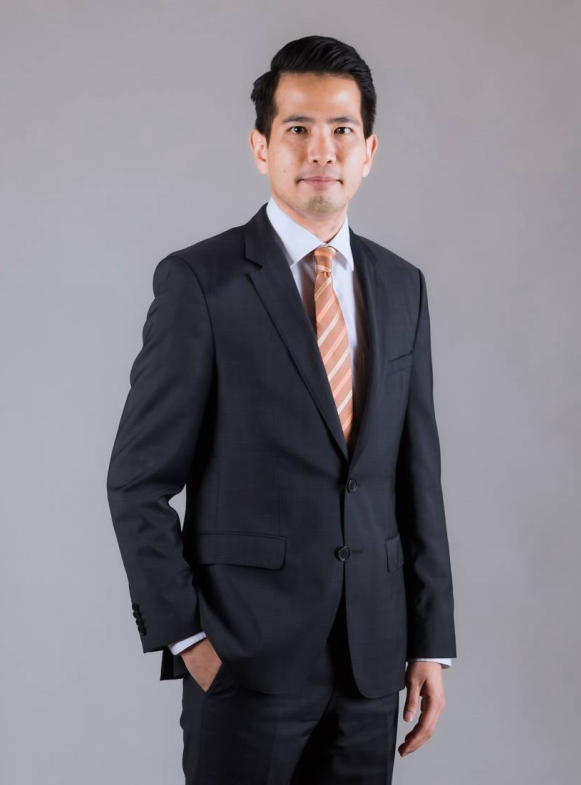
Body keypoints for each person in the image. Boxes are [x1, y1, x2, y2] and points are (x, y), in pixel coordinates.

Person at [106, 34, 457, 785]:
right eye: (298, 127)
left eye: (342, 129)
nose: (321, 149)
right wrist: (188, 639)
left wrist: (431, 640)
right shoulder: (201, 283)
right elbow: (136, 481)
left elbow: (415, 477)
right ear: (261, 147)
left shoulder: (403, 287)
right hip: (243, 664)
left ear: (369, 151)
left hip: (371, 666)